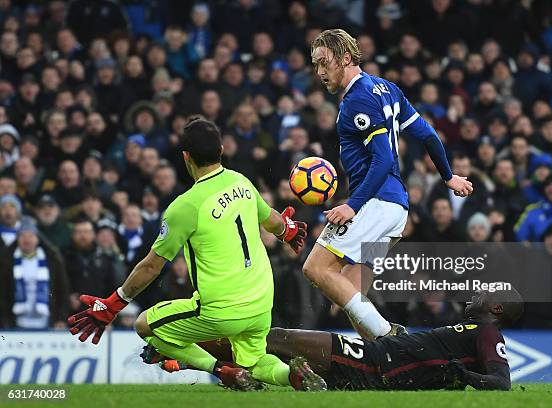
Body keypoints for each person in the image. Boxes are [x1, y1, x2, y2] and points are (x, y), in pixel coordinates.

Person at [67, 117, 325, 391]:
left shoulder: (186, 206)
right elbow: (273, 220)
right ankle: (294, 376)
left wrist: (115, 303)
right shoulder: (242, 182)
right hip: (261, 303)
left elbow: (152, 266)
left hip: (220, 309)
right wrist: (288, 230)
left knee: (145, 326)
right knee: (255, 360)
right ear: (222, 150)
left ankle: (222, 371)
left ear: (186, 157)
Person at [306, 29, 473, 339]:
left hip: (375, 203)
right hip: (396, 209)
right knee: (352, 295)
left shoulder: (358, 99)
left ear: (345, 58)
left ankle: (393, 337)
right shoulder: (387, 89)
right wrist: (448, 176)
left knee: (315, 268)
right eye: (315, 65)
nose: (320, 73)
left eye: (324, 63)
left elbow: (383, 159)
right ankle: (386, 367)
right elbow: (428, 135)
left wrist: (352, 206)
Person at [146, 288, 524, 391]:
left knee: (276, 339)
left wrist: (464, 376)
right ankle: (183, 359)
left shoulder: (488, 333)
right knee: (278, 351)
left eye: (487, 296)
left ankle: (177, 350)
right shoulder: (477, 332)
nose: (476, 296)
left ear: (496, 310)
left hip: (377, 362)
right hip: (380, 359)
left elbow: (501, 383)